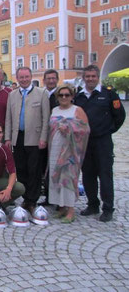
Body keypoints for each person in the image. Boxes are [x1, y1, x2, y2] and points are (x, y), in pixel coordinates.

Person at [74, 65, 126, 222]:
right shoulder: (79, 96)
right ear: (84, 78)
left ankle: (108, 208)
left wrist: (108, 130)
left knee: (105, 175)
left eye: (93, 76)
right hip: (85, 141)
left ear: (97, 77)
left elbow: (120, 116)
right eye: (87, 76)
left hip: (103, 141)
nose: (90, 79)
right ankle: (92, 204)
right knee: (88, 174)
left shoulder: (109, 94)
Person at [5, 66, 50, 215]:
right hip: (18, 137)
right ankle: (25, 198)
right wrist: (8, 138)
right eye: (21, 77)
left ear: (31, 77)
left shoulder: (41, 93)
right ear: (17, 78)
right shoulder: (12, 95)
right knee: (21, 169)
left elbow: (46, 118)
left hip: (35, 138)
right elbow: (9, 118)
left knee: (34, 170)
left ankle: (32, 200)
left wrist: (44, 137)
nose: (24, 80)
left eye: (26, 77)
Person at [48, 84, 90, 223]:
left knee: (68, 178)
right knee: (56, 176)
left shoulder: (77, 110)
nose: (64, 97)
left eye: (67, 95)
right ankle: (61, 207)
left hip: (70, 150)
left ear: (72, 96)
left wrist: (69, 128)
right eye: (61, 95)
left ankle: (71, 209)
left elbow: (86, 129)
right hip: (55, 147)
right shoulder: (54, 110)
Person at [39, 69, 60, 206]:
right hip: (42, 136)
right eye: (48, 79)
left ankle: (59, 200)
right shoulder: (41, 95)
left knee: (58, 168)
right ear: (44, 80)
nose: (51, 81)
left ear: (57, 80)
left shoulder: (63, 94)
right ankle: (48, 196)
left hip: (58, 138)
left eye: (53, 78)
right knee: (43, 167)